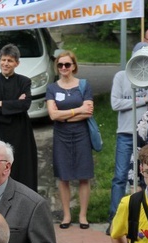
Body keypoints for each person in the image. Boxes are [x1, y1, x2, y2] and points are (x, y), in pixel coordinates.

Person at [46, 50, 95, 229]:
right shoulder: (52, 88)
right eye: (60, 65)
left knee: (84, 175)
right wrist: (77, 110)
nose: (64, 68)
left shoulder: (84, 85)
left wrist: (64, 115)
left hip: (81, 133)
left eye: (67, 64)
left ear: (74, 66)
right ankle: (66, 215)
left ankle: (82, 215)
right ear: (57, 67)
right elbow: (52, 115)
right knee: (63, 176)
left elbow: (88, 112)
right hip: (61, 135)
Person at [108, 42, 148, 234]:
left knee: (146, 177)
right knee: (120, 177)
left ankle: (145, 218)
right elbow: (115, 103)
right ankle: (114, 219)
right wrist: (142, 100)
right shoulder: (121, 76)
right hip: (125, 133)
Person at [0, 44, 38, 192]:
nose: (6, 63)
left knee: (21, 167)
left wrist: (0, 104)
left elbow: (25, 105)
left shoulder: (24, 82)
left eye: (10, 61)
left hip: (20, 132)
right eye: (4, 60)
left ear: (17, 63)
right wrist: (14, 104)